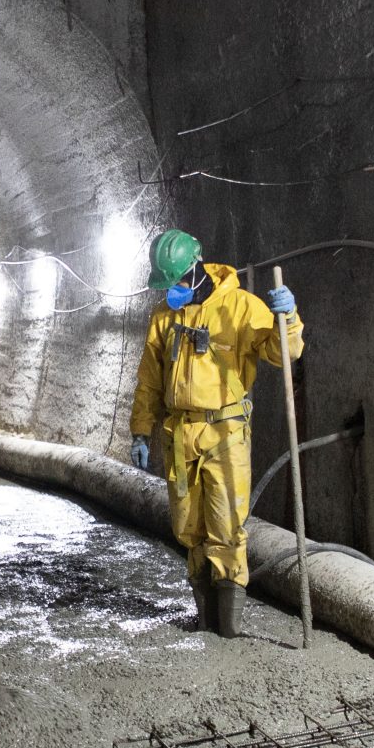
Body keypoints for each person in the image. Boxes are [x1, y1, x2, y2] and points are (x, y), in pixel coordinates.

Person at [125, 229, 304, 637]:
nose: (171, 290)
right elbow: (150, 380)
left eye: (176, 282)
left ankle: (228, 633)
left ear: (196, 269)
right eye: (166, 284)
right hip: (179, 434)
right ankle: (205, 622)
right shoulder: (164, 317)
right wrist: (141, 431)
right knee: (189, 530)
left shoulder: (241, 307)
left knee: (226, 529)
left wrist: (287, 319)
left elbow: (284, 353)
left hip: (225, 433)